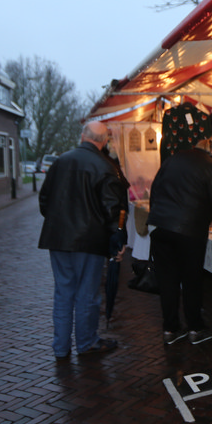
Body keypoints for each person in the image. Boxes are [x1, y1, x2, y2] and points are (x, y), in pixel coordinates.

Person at [38, 120, 129, 358]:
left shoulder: (60, 162)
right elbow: (112, 208)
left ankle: (61, 347)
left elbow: (44, 200)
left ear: (82, 136)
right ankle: (87, 342)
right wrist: (118, 239)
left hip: (59, 239)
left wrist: (59, 222)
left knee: (63, 292)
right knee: (87, 293)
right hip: (89, 240)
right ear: (105, 141)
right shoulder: (105, 166)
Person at [147, 136, 212, 345]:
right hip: (189, 230)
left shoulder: (173, 159)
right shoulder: (211, 167)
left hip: (160, 226)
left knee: (167, 281)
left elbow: (155, 190)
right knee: (191, 280)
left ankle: (170, 329)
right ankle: (195, 328)